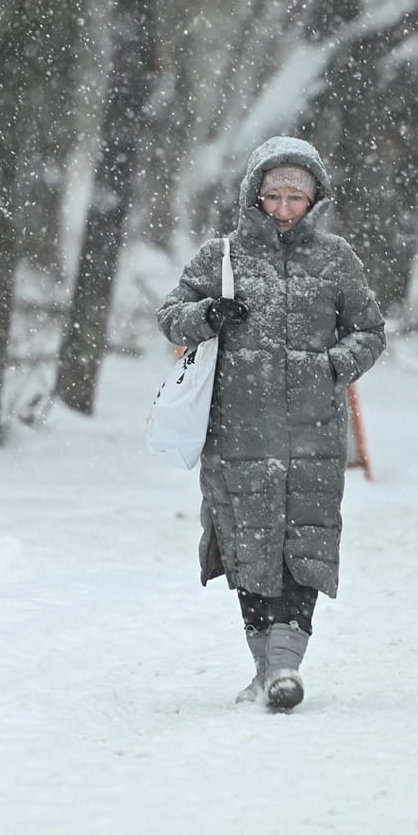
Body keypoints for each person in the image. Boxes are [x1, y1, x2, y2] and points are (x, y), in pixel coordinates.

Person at [158, 136, 386, 712]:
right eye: (273, 195)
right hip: (237, 434)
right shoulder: (221, 257)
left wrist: (331, 367)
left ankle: (284, 666)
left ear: (316, 201)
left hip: (313, 434)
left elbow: (370, 331)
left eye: (297, 198)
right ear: (253, 196)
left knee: (304, 545)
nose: (284, 208)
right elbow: (170, 316)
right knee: (247, 548)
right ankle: (268, 671)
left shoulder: (337, 259)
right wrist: (206, 315)